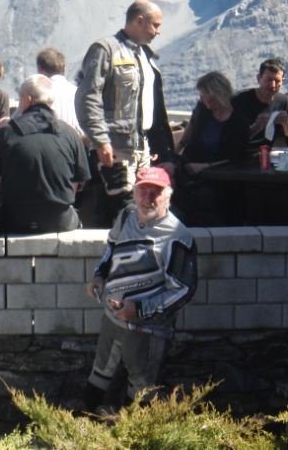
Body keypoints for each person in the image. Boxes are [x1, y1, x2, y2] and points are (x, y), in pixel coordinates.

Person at [83, 166, 196, 412]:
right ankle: (84, 425)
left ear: (168, 195)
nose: (148, 198)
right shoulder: (126, 215)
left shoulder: (178, 236)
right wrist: (99, 276)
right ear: (134, 193)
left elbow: (183, 289)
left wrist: (140, 309)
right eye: (143, 191)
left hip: (147, 329)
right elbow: (111, 247)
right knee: (99, 376)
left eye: (156, 192)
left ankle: (136, 432)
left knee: (142, 390)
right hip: (112, 319)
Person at [75, 0, 175, 226]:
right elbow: (88, 96)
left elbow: (155, 107)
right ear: (140, 21)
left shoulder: (146, 56)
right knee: (120, 205)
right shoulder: (106, 50)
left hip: (142, 148)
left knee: (142, 205)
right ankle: (115, 245)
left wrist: (164, 151)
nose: (158, 32)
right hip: (116, 147)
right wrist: (100, 140)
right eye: (155, 25)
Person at [0, 74, 89, 233]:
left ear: (28, 99)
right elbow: (77, 182)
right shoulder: (69, 133)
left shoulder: (7, 132)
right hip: (59, 221)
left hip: (14, 220)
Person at [173, 71, 249, 225]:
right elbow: (191, 128)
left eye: (204, 95)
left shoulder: (238, 120)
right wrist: (175, 152)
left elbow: (235, 156)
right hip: (190, 165)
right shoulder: (202, 110)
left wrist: (205, 166)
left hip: (218, 173)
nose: (201, 99)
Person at [231, 57, 288, 153]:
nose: (273, 85)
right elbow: (232, 142)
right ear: (259, 78)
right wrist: (256, 127)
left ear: (282, 81)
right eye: (269, 80)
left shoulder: (286, 103)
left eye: (277, 81)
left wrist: (286, 124)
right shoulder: (240, 101)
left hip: (265, 155)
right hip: (240, 156)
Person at [36, 47, 81, 134]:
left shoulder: (39, 92)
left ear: (40, 69)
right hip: (77, 139)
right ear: (64, 69)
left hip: (51, 138)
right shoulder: (78, 92)